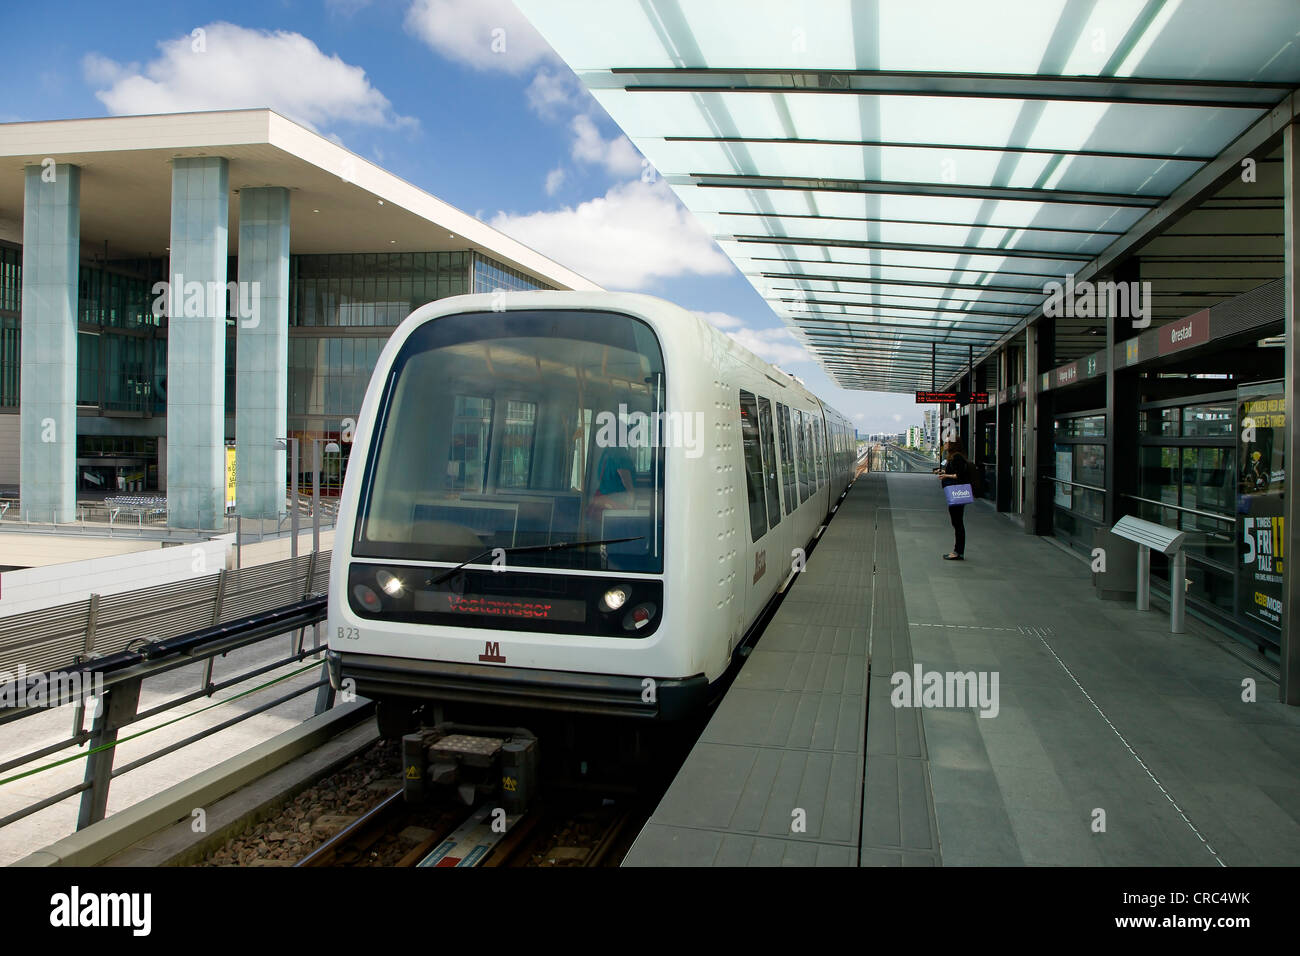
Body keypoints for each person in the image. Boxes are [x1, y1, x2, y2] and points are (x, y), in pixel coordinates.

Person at [937, 441, 973, 560]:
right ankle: (957, 551)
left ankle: (958, 552)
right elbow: (955, 472)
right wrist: (944, 472)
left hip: (957, 492)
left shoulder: (957, 457)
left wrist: (946, 476)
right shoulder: (954, 457)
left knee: (957, 522)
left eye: (947, 442)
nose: (945, 444)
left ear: (953, 445)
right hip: (954, 492)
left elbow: (960, 475)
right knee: (956, 522)